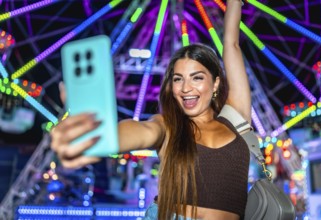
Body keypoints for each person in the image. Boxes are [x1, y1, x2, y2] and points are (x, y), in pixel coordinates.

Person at [50, 0, 250, 219]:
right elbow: (142, 131)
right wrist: (99, 136)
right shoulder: (169, 126)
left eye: (197, 78)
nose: (185, 88)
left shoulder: (236, 117)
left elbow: (232, 44)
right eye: (177, 79)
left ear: (216, 84)